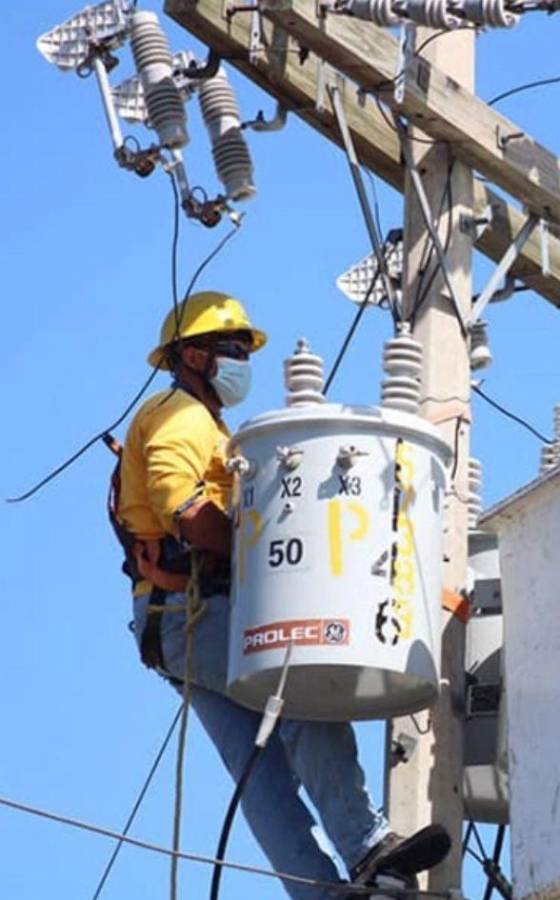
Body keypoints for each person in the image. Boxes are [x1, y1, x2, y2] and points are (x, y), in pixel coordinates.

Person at [112, 291, 449, 898]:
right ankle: (368, 848)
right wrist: (262, 548)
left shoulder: (202, 421)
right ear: (191, 356)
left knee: (260, 776)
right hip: (191, 613)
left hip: (176, 622)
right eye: (230, 348)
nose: (242, 359)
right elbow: (183, 508)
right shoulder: (177, 415)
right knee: (298, 687)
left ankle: (318, 891)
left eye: (244, 349)